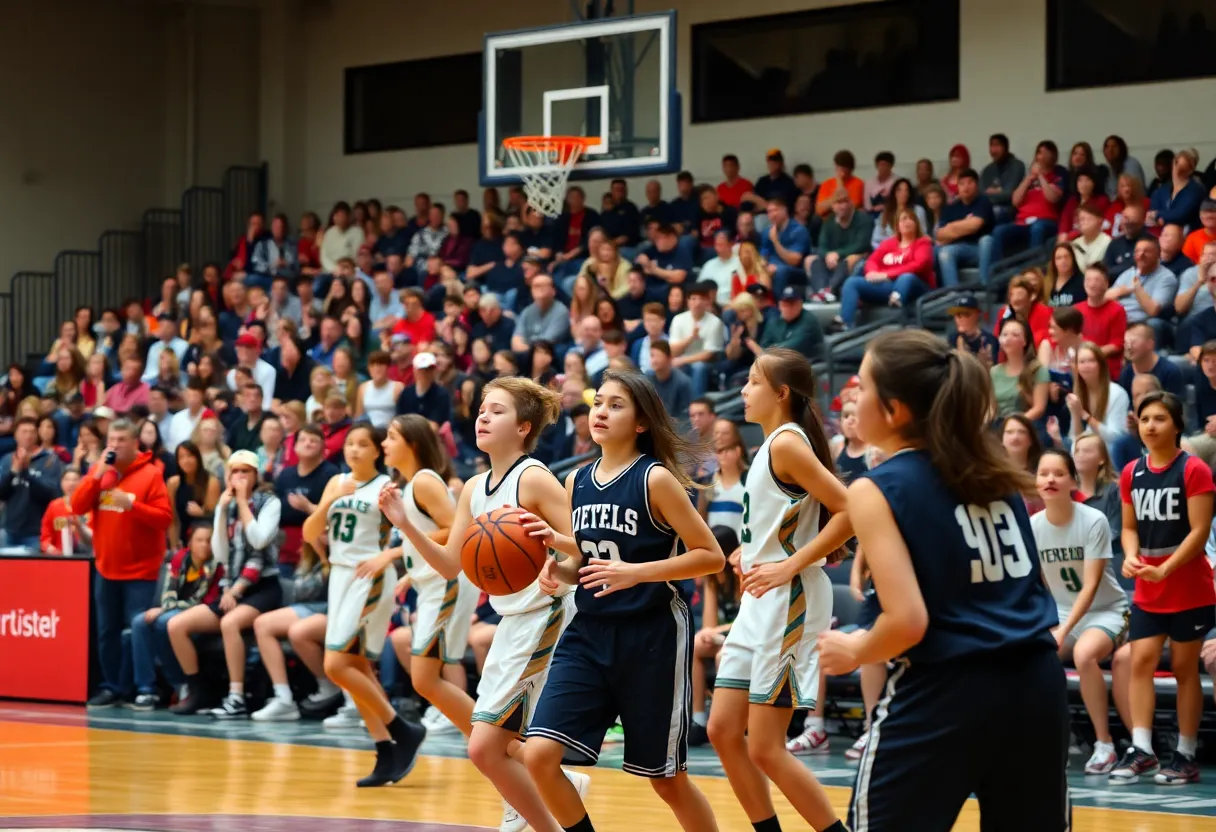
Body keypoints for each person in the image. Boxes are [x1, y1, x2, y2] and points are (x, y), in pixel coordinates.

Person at [817, 330, 1069, 831]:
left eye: (861, 387)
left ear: (894, 411)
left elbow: (908, 621)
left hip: (946, 692)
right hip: (1036, 685)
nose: (850, 397)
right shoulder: (998, 474)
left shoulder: (875, 488)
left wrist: (855, 650)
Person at [520, 371, 726, 832]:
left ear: (640, 423)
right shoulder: (576, 481)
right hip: (589, 633)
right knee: (538, 755)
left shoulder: (655, 479)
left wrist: (636, 573)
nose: (601, 412)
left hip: (652, 634)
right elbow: (587, 561)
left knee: (667, 782)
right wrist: (559, 568)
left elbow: (710, 556)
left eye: (616, 405)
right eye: (599, 403)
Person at [379, 376, 582, 832]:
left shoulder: (533, 477)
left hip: (547, 614)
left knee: (485, 745)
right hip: (513, 619)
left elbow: (584, 543)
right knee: (489, 743)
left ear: (524, 427)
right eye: (482, 410)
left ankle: (549, 800)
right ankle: (555, 785)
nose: (483, 417)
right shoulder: (472, 487)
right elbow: (452, 565)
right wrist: (405, 525)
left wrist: (559, 561)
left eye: (497, 411)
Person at [703, 349, 851, 832]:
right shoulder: (772, 446)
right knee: (723, 731)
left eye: (752, 383)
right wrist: (752, 550)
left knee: (765, 747)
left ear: (781, 393)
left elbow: (851, 512)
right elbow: (785, 520)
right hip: (760, 599)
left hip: (791, 599)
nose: (743, 391)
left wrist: (788, 563)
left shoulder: (788, 443)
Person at [301, 424, 425, 787]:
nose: (354, 450)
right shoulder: (336, 482)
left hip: (368, 576)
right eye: (350, 444)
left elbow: (411, 537)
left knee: (336, 664)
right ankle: (387, 750)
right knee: (357, 668)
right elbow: (311, 534)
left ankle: (402, 727)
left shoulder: (387, 488)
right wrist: (329, 500)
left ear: (376, 451)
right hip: (339, 576)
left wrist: (386, 557)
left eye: (363, 444)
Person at [1109, 392, 1215, 786]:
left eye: (1159, 418)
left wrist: (1166, 567)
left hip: (1189, 588)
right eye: (1144, 418)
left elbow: (1200, 531)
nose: (1150, 425)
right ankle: (1142, 749)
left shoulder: (1194, 470)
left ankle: (1185, 754)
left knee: (1185, 668)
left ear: (1176, 424)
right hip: (1150, 589)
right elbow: (1130, 528)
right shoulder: (1130, 472)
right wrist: (1131, 558)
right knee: (1140, 661)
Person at [379, 415, 480, 740]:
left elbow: (457, 529)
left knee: (425, 678)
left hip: (448, 583)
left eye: (391, 437)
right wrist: (410, 572)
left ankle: (499, 748)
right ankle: (498, 750)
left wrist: (402, 550)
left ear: (413, 444)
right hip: (432, 583)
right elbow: (425, 536)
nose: (384, 443)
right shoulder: (411, 485)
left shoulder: (424, 480)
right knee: (425, 679)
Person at [1030, 449, 1129, 774]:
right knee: (1027, 653)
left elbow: (1090, 586)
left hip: (1107, 611)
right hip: (1062, 613)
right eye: (1044, 473)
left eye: (1058, 473)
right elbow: (1041, 586)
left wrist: (1060, 630)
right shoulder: (1033, 526)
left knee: (1086, 653)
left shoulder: (1093, 519)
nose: (1050, 479)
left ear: (1072, 480)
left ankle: (1105, 745)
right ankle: (1045, 738)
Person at [166, 451, 284, 718]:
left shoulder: (269, 503)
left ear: (255, 476)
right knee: (177, 625)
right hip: (230, 587)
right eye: (235, 472)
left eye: (245, 472)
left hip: (261, 587)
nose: (240, 477)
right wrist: (220, 511)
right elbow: (219, 554)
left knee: (229, 623)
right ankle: (198, 692)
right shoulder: (226, 504)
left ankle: (236, 696)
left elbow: (258, 543)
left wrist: (243, 503)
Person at [72, 419, 173, 708]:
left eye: (121, 440)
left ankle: (142, 687)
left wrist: (133, 506)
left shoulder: (152, 475)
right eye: (111, 440)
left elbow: (164, 519)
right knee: (107, 632)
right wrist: (96, 475)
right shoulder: (100, 472)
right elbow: (77, 507)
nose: (114, 445)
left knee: (135, 633)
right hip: (106, 567)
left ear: (134, 443)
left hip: (141, 570)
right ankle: (112, 686)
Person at [129, 525, 223, 710]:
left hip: (199, 615)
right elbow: (168, 588)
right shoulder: (180, 558)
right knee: (139, 622)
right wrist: (165, 607)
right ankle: (146, 690)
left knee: (164, 622)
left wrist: (164, 610)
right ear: (190, 543)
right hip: (173, 610)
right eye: (199, 540)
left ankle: (180, 683)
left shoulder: (217, 566)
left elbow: (203, 601)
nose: (204, 545)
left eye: (208, 541)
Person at [0, 417, 65, 549]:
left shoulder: (50, 461)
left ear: (37, 435)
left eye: (32, 432)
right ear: (15, 435)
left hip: (36, 531)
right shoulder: (7, 460)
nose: (28, 436)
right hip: (8, 530)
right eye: (24, 432)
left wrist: (26, 473)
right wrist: (13, 472)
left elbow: (52, 492)